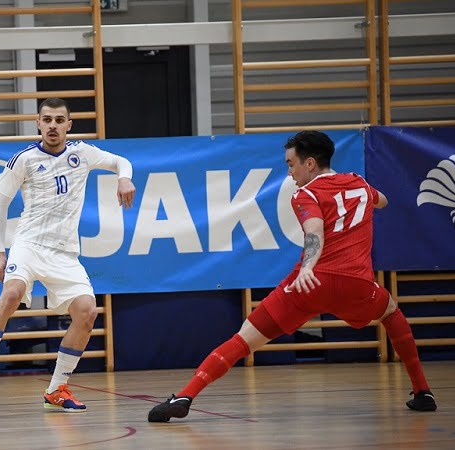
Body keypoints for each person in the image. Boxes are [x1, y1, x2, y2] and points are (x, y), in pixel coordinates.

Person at [148, 130, 437, 422]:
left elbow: (314, 232)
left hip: (311, 283)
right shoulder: (359, 183)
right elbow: (383, 200)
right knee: (391, 313)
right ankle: (422, 391)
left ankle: (185, 395)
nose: (289, 173)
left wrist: (309, 267)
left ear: (310, 163)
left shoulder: (306, 194)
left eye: (291, 164)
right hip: (358, 284)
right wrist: (366, 201)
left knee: (244, 339)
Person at [0, 98, 136, 412]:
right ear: (38, 123)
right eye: (47, 119)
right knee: (11, 293)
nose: (53, 125)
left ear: (69, 125)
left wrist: (123, 177)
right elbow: (0, 205)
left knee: (87, 312)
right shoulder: (23, 159)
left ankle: (56, 390)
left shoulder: (82, 153)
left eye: (59, 120)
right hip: (28, 244)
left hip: (65, 253)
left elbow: (122, 161)